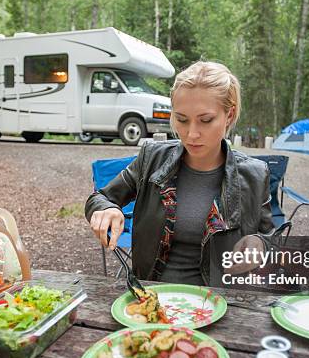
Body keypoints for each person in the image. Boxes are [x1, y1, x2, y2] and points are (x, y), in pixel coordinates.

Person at [85, 61, 274, 286]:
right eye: (182, 119)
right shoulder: (151, 159)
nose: (191, 133)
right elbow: (99, 198)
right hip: (151, 297)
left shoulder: (254, 175)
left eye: (205, 120)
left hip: (220, 303)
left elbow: (270, 239)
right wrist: (105, 209)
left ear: (229, 116)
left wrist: (260, 246)